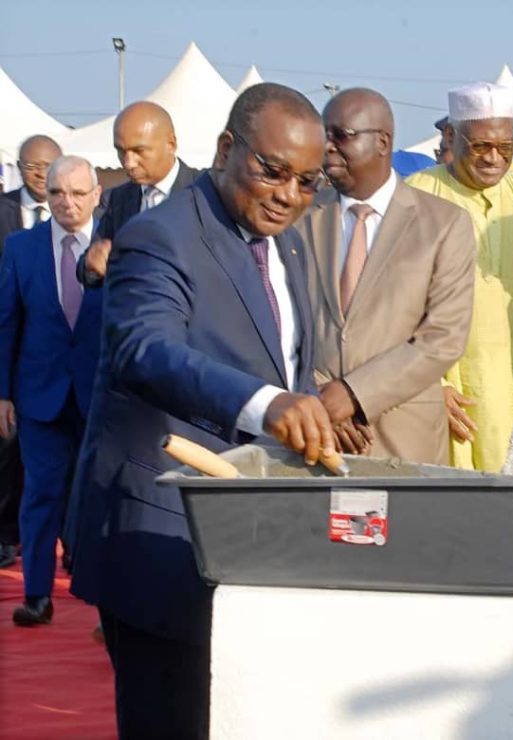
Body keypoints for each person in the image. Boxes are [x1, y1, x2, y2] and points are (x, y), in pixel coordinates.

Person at [69, 83, 335, 738]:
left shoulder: (291, 245)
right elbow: (144, 349)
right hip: (161, 536)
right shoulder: (160, 235)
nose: (287, 195)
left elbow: (280, 355)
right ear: (225, 149)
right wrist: (268, 406)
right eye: (272, 171)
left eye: (306, 182)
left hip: (250, 537)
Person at [406, 82, 513, 472]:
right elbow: (385, 310)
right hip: (449, 395)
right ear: (450, 136)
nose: (494, 159)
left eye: (506, 149)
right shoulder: (415, 197)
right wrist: (427, 387)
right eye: (481, 147)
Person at [299, 88, 475, 463]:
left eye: (340, 136)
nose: (327, 147)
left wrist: (354, 394)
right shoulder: (300, 219)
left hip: (403, 441)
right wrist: (316, 396)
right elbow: (280, 321)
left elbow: (443, 338)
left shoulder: (444, 224)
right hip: (315, 434)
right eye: (322, 135)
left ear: (382, 142)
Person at [0, 156, 104, 625]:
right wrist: (2, 393)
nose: (67, 202)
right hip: (38, 395)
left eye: (78, 193)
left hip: (102, 395)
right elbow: (5, 324)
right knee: (40, 493)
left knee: (99, 495)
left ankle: (103, 594)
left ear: (96, 194)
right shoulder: (20, 248)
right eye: (58, 192)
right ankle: (37, 595)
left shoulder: (119, 245)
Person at [0, 135, 62, 569]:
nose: (41, 176)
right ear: (19, 167)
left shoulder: (81, 212)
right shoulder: (3, 210)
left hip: (54, 352)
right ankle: (6, 535)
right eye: (33, 167)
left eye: (48, 167)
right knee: (7, 445)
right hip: (8, 339)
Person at [78, 101, 201, 286]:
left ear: (171, 143)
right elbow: (89, 272)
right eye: (120, 151)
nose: (128, 163)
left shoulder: (206, 192)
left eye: (138, 151)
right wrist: (91, 263)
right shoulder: (118, 200)